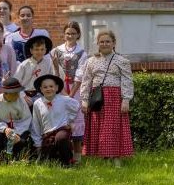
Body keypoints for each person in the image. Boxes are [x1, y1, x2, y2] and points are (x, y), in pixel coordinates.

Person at [80, 30, 134, 167]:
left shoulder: (122, 61)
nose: (105, 44)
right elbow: (86, 81)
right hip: (97, 99)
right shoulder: (91, 61)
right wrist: (84, 100)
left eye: (108, 41)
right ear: (97, 44)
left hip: (115, 98)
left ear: (114, 43)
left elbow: (127, 81)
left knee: (114, 128)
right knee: (99, 127)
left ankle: (116, 159)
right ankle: (104, 159)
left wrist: (126, 99)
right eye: (102, 41)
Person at [51, 21, 87, 163]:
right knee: (60, 117)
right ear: (64, 34)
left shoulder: (82, 52)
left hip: (74, 89)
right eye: (67, 33)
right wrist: (61, 89)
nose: (70, 35)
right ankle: (63, 154)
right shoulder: (56, 50)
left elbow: (80, 73)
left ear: (78, 34)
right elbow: (54, 72)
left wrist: (71, 94)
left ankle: (77, 157)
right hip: (59, 87)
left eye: (73, 33)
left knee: (76, 119)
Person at [31, 74, 80, 166]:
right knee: (46, 160)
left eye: (51, 86)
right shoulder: (38, 103)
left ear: (57, 88)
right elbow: (36, 123)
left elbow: (76, 105)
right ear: (41, 89)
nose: (48, 89)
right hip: (47, 134)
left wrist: (70, 121)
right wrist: (37, 142)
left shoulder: (63, 100)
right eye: (45, 87)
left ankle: (67, 163)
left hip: (62, 129)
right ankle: (55, 159)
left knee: (61, 138)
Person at [0, 77, 32, 159]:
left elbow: (26, 119)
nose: (18, 95)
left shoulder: (21, 101)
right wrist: (5, 129)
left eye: (18, 92)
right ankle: (1, 158)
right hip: (3, 131)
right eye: (14, 93)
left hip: (19, 130)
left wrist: (16, 133)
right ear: (6, 93)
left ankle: (18, 158)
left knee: (21, 141)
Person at [14, 35, 54, 110]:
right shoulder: (24, 65)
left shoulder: (48, 64)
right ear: (31, 51)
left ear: (45, 50)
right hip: (26, 95)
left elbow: (50, 79)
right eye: (36, 49)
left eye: (42, 49)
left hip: (41, 95)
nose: (39, 52)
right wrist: (23, 96)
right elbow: (16, 81)